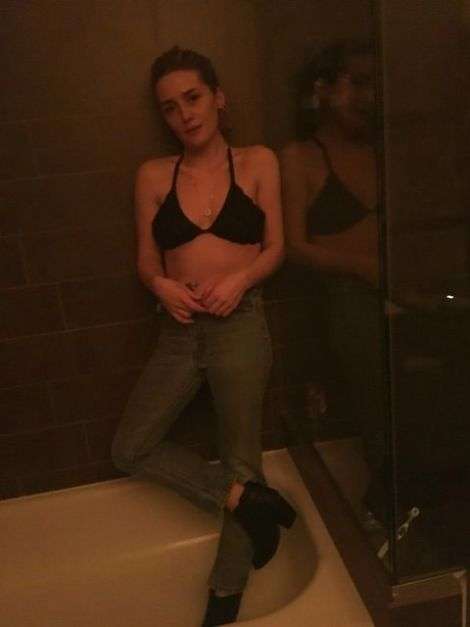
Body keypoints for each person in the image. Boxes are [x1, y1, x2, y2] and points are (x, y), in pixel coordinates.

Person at [111, 46, 295, 626]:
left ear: (218, 97)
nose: (184, 114)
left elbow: (276, 248)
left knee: (242, 458)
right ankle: (248, 501)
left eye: (192, 98)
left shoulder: (258, 161)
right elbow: (147, 259)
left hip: (240, 325)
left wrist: (240, 279)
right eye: (170, 107)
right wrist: (160, 286)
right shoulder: (152, 175)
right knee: (129, 448)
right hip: (180, 331)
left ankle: (224, 597)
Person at [280, 40, 388, 527]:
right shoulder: (301, 156)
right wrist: (363, 268)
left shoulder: (384, 149)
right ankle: (386, 493)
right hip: (344, 296)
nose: (369, 96)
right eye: (357, 83)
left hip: (399, 289)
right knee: (362, 337)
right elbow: (295, 246)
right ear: (323, 89)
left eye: (375, 84)